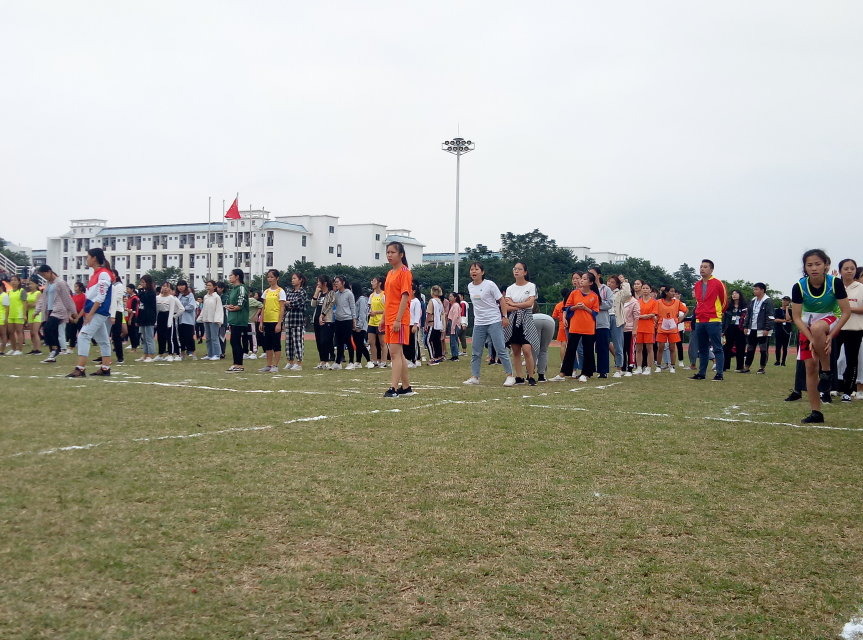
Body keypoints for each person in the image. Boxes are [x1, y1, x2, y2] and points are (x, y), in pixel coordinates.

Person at [791, 249, 851, 423]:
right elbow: (796, 317)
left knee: (818, 328)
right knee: (810, 367)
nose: (814, 268)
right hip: (806, 326)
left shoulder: (835, 283)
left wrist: (831, 335)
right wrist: (811, 339)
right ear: (805, 267)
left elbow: (846, 312)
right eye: (809, 265)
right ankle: (816, 412)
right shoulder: (799, 286)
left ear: (825, 265)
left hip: (830, 319)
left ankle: (826, 371)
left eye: (818, 264)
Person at [462, 261, 515, 387]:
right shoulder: (470, 286)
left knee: (500, 349)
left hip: (493, 321)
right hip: (479, 323)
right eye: (472, 269)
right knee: (476, 351)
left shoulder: (490, 284)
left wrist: (504, 316)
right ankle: (475, 377)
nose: (473, 271)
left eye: (476, 269)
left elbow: (501, 300)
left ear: (482, 272)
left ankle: (510, 376)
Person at [66, 248, 115, 377]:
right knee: (103, 340)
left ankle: (80, 369)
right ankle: (105, 368)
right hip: (95, 311)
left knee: (83, 336)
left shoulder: (103, 274)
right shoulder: (95, 274)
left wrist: (91, 313)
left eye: (88, 257)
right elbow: (90, 297)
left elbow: (101, 297)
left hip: (99, 311)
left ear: (94, 258)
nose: (86, 259)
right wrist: (85, 313)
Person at [380, 241, 415, 397]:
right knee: (398, 354)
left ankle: (393, 388)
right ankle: (406, 387)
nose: (389, 255)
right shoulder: (390, 273)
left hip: (398, 318)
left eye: (392, 252)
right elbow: (388, 298)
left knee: (394, 354)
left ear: (401, 255)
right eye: (388, 252)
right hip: (390, 317)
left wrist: (398, 320)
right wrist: (384, 318)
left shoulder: (405, 272)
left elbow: (405, 296)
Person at [552, 272, 600, 382]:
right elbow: (567, 308)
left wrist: (585, 308)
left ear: (591, 283)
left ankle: (586, 373)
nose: (581, 280)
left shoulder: (594, 296)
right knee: (570, 349)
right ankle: (563, 373)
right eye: (581, 278)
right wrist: (575, 307)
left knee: (588, 350)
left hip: (588, 327)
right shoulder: (574, 293)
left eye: (584, 279)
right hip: (575, 326)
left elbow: (595, 312)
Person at [502, 261, 540, 386]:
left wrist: (514, 304)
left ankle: (531, 376)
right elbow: (507, 306)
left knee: (527, 349)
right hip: (513, 320)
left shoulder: (531, 286)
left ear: (525, 272)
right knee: (516, 350)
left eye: (519, 269)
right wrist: (518, 305)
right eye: (515, 269)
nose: (516, 271)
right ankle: (519, 376)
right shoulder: (510, 288)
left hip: (526, 320)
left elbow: (530, 304)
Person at [691, 259, 728, 381]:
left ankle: (719, 374)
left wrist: (717, 313)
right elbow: (698, 301)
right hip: (700, 320)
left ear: (711, 269)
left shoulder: (718, 283)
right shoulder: (697, 284)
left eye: (705, 267)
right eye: (701, 266)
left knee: (717, 347)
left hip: (713, 320)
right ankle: (701, 373)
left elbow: (724, 301)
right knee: (702, 348)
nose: (702, 269)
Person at [33, 264, 77, 363]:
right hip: (49, 310)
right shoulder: (48, 284)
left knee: (48, 328)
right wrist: (37, 311)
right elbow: (43, 299)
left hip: (59, 310)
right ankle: (52, 354)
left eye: (44, 275)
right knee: (49, 331)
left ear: (49, 272)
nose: (44, 277)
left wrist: (73, 312)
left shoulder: (60, 283)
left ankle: (56, 348)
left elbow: (67, 298)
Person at [836, 259, 863, 403]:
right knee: (833, 359)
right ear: (840, 270)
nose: (849, 271)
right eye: (846, 268)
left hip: (854, 329)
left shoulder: (860, 287)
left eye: (852, 268)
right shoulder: (836, 286)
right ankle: (831, 388)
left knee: (851, 361)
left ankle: (848, 391)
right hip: (836, 329)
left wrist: (847, 309)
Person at [740, 283, 775, 374]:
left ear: (762, 290)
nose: (754, 291)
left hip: (762, 329)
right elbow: (748, 314)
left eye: (756, 289)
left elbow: (770, 316)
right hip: (752, 328)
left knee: (763, 349)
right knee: (750, 348)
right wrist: (745, 326)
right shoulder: (753, 300)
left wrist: (767, 328)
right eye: (754, 289)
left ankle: (762, 368)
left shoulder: (768, 301)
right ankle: (746, 367)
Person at [258, 269, 286, 373]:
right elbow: (263, 307)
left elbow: (282, 308)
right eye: (268, 277)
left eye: (272, 277)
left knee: (276, 344)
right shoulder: (266, 291)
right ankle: (268, 365)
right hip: (266, 321)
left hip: (275, 321)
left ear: (277, 278)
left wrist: (279, 323)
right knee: (267, 344)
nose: (269, 279)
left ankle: (275, 365)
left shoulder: (280, 291)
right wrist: (261, 322)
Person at [588, 266, 614, 379]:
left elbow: (609, 304)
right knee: (588, 347)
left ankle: (603, 371)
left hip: (602, 323)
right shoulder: (587, 289)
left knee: (602, 347)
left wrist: (596, 303)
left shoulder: (605, 289)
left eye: (592, 274)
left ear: (599, 275)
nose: (590, 276)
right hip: (588, 323)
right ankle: (588, 370)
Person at [655, 287, 686, 373]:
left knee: (672, 347)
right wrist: (656, 320)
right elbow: (654, 313)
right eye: (671, 291)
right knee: (660, 347)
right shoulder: (659, 302)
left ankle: (672, 366)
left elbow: (686, 310)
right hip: (662, 327)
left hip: (673, 327)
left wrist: (680, 319)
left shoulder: (677, 302)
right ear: (666, 292)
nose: (673, 293)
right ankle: (658, 366)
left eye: (674, 291)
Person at [225, 268, 249, 372]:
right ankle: (236, 364)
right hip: (233, 318)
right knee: (233, 341)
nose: (229, 277)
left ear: (237, 276)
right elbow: (231, 303)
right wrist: (229, 306)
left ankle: (239, 365)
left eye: (231, 275)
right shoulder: (233, 289)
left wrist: (234, 307)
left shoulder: (242, 288)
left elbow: (240, 304)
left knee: (236, 341)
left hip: (239, 319)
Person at [283, 272, 308, 371]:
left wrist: (288, 303)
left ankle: (299, 363)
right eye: (292, 278)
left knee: (298, 342)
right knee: (288, 343)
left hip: (298, 321)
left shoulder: (302, 292)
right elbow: (285, 304)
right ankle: (290, 361)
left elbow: (298, 303)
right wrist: (288, 304)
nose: (292, 280)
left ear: (300, 280)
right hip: (288, 320)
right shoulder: (289, 292)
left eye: (294, 278)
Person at [608, 275, 632, 377]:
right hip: (605, 318)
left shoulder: (620, 293)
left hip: (616, 318)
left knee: (618, 344)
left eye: (613, 282)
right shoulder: (606, 292)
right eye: (609, 282)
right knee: (605, 343)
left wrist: (624, 283)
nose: (610, 284)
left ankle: (619, 368)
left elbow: (627, 294)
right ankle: (604, 369)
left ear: (617, 284)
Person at [332, 276, 357, 369]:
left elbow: (353, 307)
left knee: (347, 340)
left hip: (347, 319)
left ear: (343, 283)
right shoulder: (336, 294)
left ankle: (351, 362)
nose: (336, 283)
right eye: (335, 282)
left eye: (337, 282)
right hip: (338, 320)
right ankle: (338, 362)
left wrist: (354, 320)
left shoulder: (349, 293)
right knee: (339, 341)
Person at [311, 275, 335, 369]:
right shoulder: (320, 293)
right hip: (317, 319)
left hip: (326, 320)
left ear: (324, 283)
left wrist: (322, 315)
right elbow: (313, 304)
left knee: (324, 341)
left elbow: (330, 305)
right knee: (318, 341)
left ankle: (326, 360)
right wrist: (316, 293)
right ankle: (322, 361)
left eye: (319, 281)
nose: (317, 283)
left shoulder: (331, 293)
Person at [154, 282, 183, 362]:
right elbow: (156, 310)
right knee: (160, 337)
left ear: (170, 289)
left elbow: (171, 311)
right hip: (160, 317)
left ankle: (171, 354)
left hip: (168, 316)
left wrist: (170, 321)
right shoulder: (157, 297)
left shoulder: (171, 298)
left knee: (170, 337)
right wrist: (155, 321)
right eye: (164, 286)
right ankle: (160, 354)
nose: (165, 288)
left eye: (167, 287)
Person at [634, 282, 657, 375]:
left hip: (649, 327)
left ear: (650, 290)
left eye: (647, 288)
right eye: (643, 288)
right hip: (639, 327)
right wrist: (645, 316)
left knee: (649, 348)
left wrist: (642, 316)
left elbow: (653, 314)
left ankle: (648, 368)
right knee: (638, 348)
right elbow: (635, 314)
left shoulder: (654, 302)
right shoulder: (637, 301)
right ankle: (639, 367)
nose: (645, 290)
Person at [722, 290, 747, 372]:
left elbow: (747, 318)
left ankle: (739, 367)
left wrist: (746, 327)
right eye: (733, 294)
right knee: (727, 347)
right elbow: (725, 319)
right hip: (730, 328)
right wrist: (723, 330)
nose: (734, 295)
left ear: (740, 295)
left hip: (740, 328)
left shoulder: (745, 307)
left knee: (740, 347)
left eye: (736, 293)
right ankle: (725, 366)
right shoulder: (728, 307)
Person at [200, 280, 224, 361]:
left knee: (214, 338)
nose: (208, 287)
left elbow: (219, 309)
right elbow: (204, 308)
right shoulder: (205, 297)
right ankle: (210, 354)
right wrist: (201, 317)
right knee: (208, 338)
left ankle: (217, 354)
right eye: (207, 285)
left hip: (214, 320)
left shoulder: (216, 297)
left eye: (210, 285)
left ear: (214, 287)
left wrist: (218, 319)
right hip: (206, 319)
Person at [135, 275, 157, 362]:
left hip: (149, 317)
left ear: (148, 283)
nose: (141, 284)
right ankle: (145, 354)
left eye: (143, 282)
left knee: (149, 337)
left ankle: (150, 355)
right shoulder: (143, 292)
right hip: (142, 317)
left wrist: (140, 291)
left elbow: (145, 299)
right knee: (143, 338)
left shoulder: (151, 293)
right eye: (141, 282)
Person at [108, 270, 127, 363]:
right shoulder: (109, 285)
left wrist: (113, 315)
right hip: (108, 311)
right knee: (107, 335)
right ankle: (105, 356)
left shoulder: (118, 286)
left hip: (117, 312)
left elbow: (117, 299)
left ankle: (120, 357)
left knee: (116, 335)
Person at [352, 283, 373, 368]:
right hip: (354, 324)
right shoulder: (355, 299)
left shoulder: (362, 299)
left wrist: (359, 326)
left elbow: (362, 313)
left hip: (361, 325)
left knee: (360, 343)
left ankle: (369, 361)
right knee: (357, 343)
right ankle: (358, 361)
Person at [176, 280, 197, 360]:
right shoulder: (178, 295)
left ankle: (193, 353)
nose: (180, 287)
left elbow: (192, 306)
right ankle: (182, 354)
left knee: (189, 337)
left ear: (185, 286)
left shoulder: (190, 295)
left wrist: (182, 309)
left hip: (188, 319)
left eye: (182, 285)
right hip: (179, 319)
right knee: (181, 337)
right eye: (179, 285)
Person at [367, 276, 386, 367]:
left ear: (379, 283)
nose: (372, 283)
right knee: (371, 342)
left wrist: (376, 312)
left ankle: (384, 361)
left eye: (374, 281)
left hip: (381, 321)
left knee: (382, 342)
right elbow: (369, 307)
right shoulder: (372, 295)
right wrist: (370, 312)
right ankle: (374, 361)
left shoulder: (384, 294)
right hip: (372, 321)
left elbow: (387, 309)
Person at [532, 311, 555, 382]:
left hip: (534, 320)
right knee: (544, 349)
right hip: (550, 321)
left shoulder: (529, 316)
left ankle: (530, 374)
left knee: (533, 350)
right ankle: (541, 376)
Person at [5, 276, 25, 355]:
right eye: (12, 280)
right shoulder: (9, 292)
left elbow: (24, 303)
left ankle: (19, 350)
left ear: (19, 282)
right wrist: (7, 316)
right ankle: (13, 349)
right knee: (10, 332)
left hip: (19, 314)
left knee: (19, 332)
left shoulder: (22, 291)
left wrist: (24, 314)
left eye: (15, 280)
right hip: (11, 315)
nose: (13, 282)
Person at [425, 285, 445, 364]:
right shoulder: (440, 302)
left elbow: (429, 313)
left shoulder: (432, 301)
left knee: (428, 341)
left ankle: (432, 358)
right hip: (438, 323)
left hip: (432, 323)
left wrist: (426, 323)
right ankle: (438, 356)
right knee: (436, 340)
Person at [551, 288, 570, 367]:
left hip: (562, 325)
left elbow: (554, 316)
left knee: (563, 344)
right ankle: (570, 362)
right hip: (571, 325)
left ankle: (563, 363)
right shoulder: (570, 304)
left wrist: (560, 318)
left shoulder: (558, 305)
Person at [24, 279, 43, 354]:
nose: (30, 285)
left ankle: (38, 349)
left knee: (35, 332)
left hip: (37, 314)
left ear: (36, 285)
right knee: (31, 333)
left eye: (32, 284)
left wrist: (29, 305)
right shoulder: (28, 294)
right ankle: (34, 348)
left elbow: (36, 304)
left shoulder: (38, 293)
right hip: (30, 314)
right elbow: (25, 304)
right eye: (29, 284)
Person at [773, 296, 792, 366]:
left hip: (787, 331)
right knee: (778, 346)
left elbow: (789, 319)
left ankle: (783, 362)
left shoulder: (790, 311)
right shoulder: (777, 310)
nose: (784, 302)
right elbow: (776, 320)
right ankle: (777, 361)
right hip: (779, 330)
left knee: (785, 347)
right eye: (783, 300)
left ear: (789, 302)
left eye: (786, 300)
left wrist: (787, 309)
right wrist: (784, 320)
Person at [68, 281, 86, 350]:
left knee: (81, 330)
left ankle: (82, 344)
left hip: (80, 315)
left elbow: (83, 308)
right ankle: (71, 345)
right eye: (74, 287)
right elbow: (70, 307)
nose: (75, 288)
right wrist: (70, 316)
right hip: (73, 315)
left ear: (80, 288)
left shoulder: (83, 296)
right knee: (72, 331)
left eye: (76, 287)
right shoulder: (73, 296)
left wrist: (78, 317)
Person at [245, 290, 263, 360]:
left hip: (251, 322)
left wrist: (256, 315)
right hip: (244, 322)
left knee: (252, 336)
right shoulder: (243, 301)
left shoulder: (251, 300)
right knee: (245, 337)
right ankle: (245, 352)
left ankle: (254, 352)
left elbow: (261, 305)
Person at [125, 284, 141, 354]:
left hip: (132, 317)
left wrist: (130, 319)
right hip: (127, 316)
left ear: (132, 289)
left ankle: (134, 347)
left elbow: (134, 310)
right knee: (130, 333)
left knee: (133, 333)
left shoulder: (135, 298)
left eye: (128, 289)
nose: (127, 290)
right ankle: (133, 347)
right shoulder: (129, 297)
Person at [447, 292, 462, 361]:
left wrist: (453, 327)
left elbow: (455, 316)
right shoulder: (453, 305)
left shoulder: (455, 305)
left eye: (451, 296)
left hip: (454, 324)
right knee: (453, 340)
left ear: (455, 298)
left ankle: (455, 356)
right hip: (453, 323)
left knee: (454, 341)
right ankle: (454, 355)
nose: (449, 298)